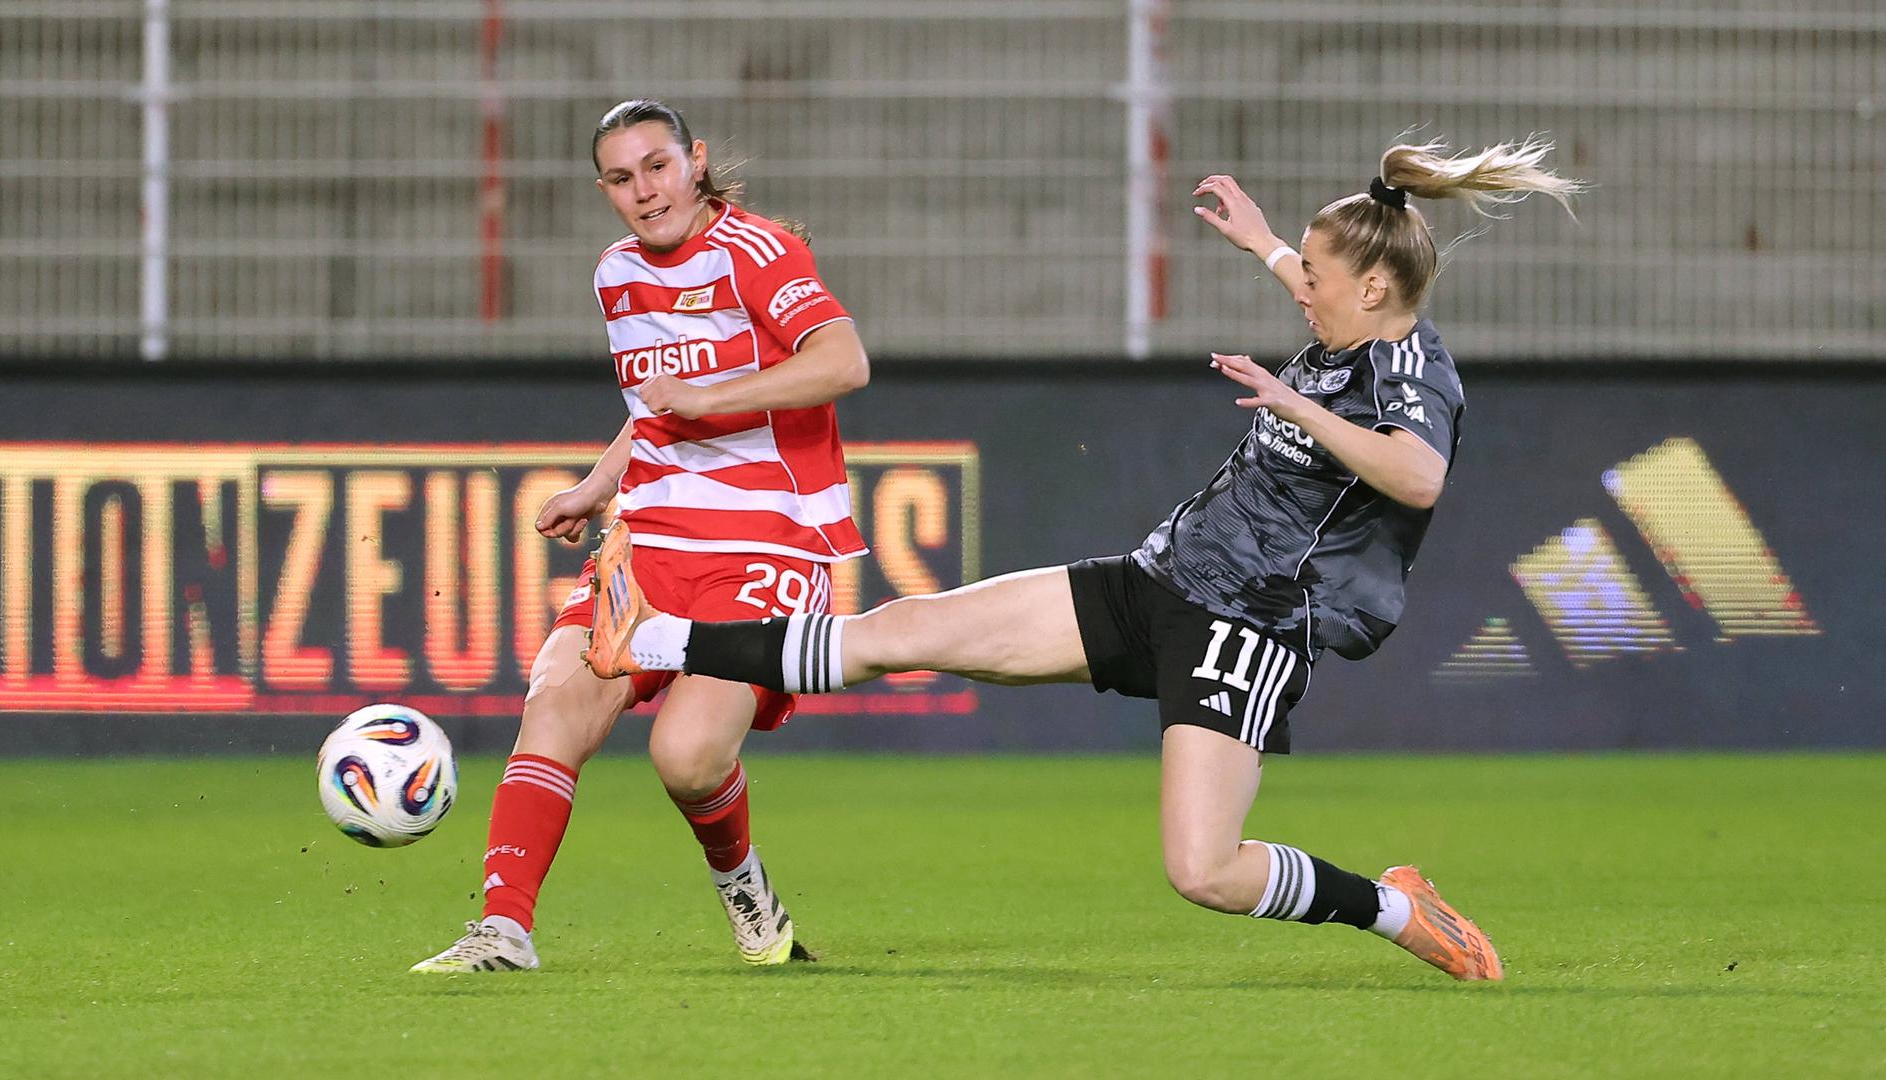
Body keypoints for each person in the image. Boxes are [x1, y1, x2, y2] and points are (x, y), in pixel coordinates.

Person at [590, 138, 1585, 982]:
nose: (1303, 293)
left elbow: (1418, 479)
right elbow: (1315, 284)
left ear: (1374, 289)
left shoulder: (1416, 374)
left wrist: (1296, 408)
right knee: (902, 631)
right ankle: (661, 637)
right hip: (1160, 580)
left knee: (1204, 871)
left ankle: (1394, 910)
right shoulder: (1352, 310)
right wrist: (1266, 243)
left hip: (1252, 627)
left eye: (1316, 280)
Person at [412, 99, 870, 973]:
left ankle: (745, 890)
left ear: (694, 162)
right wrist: (595, 485)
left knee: (689, 758)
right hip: (651, 536)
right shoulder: (616, 273)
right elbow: (650, 411)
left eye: (658, 166)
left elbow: (843, 360)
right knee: (556, 701)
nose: (645, 191)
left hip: (768, 540)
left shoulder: (759, 252)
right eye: (622, 178)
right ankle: (503, 929)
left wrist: (710, 398)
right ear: (604, 190)